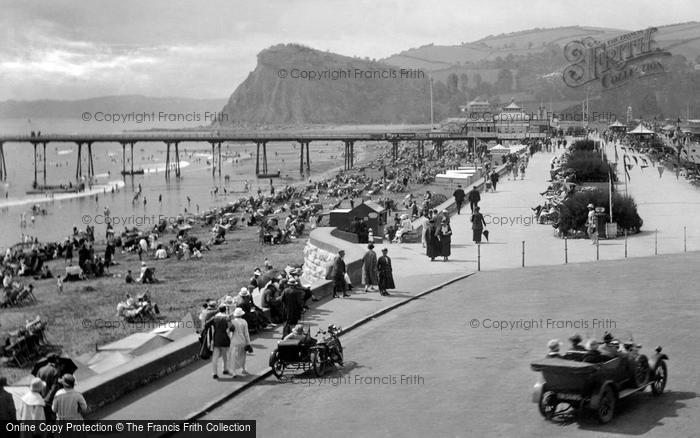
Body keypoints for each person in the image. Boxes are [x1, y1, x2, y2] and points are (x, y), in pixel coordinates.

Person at [203, 305, 233, 379]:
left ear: (219, 310)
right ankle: (225, 369)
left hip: (216, 338)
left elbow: (206, 324)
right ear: (225, 310)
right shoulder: (227, 317)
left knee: (215, 357)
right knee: (225, 355)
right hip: (225, 338)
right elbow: (231, 327)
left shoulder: (214, 318)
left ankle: (214, 373)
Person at [229, 308, 251, 376]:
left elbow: (229, 333)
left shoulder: (232, 322)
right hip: (242, 341)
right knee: (243, 356)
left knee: (233, 357)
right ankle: (243, 369)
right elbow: (246, 334)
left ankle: (233, 371)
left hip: (234, 341)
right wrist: (248, 343)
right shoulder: (244, 322)